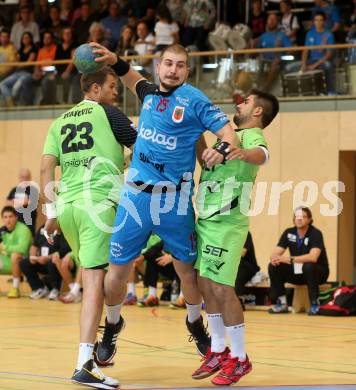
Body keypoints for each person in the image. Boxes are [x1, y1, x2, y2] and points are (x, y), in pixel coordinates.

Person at [90, 42, 237, 365]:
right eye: (168, 63)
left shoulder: (196, 101)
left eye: (180, 65)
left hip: (175, 200)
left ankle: (195, 322)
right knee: (117, 273)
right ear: (159, 66)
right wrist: (115, 60)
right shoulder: (149, 93)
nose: (173, 69)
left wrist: (220, 149)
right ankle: (112, 327)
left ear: (187, 69)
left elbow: (229, 134)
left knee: (187, 271)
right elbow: (130, 76)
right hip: (136, 198)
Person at [41, 66, 137, 389]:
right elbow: (140, 146)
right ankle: (86, 361)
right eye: (111, 86)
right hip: (98, 203)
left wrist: (51, 210)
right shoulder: (109, 114)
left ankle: (111, 325)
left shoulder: (58, 121)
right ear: (94, 89)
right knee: (97, 281)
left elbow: (46, 167)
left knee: (104, 275)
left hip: (67, 206)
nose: (115, 92)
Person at [192, 89, 279, 386]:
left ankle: (240, 358)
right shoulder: (227, 135)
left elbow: (262, 154)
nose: (240, 104)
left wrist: (244, 153)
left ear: (258, 112)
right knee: (204, 284)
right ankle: (218, 349)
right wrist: (195, 136)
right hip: (205, 218)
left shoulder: (250, 136)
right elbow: (208, 164)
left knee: (221, 288)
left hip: (227, 223)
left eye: (247, 102)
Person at [268, 207, 329, 315]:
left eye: (303, 217)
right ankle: (282, 303)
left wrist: (290, 259)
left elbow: (313, 257)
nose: (299, 219)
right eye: (297, 217)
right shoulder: (289, 232)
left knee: (308, 265)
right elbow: (275, 253)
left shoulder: (315, 233)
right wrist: (274, 258)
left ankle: (315, 304)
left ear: (309, 219)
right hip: (297, 272)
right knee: (273, 266)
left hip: (318, 272)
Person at [285, 12, 335, 95]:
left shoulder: (329, 34)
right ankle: (290, 93)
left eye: (321, 20)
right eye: (316, 20)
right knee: (289, 67)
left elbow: (329, 54)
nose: (318, 22)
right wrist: (304, 64)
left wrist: (314, 66)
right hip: (311, 60)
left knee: (328, 65)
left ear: (324, 22)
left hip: (322, 61)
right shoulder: (310, 33)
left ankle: (330, 91)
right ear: (314, 22)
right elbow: (305, 51)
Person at [19, 225, 65, 300]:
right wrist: (33, 256)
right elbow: (34, 245)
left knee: (53, 262)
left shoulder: (62, 229)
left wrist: (48, 258)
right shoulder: (42, 228)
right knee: (24, 263)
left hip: (55, 260)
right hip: (41, 260)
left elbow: (63, 250)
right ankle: (39, 288)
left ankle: (55, 289)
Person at [0, 206, 33, 298]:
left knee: (15, 255)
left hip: (23, 261)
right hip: (7, 261)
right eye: (5, 217)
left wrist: (5, 248)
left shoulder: (24, 230)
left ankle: (15, 288)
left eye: (10, 216)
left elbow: (22, 249)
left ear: (16, 217)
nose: (8, 220)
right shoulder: (2, 231)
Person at [255, 13, 292, 92]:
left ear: (277, 22)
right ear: (267, 22)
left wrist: (281, 58)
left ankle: (265, 89)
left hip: (278, 62)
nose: (271, 21)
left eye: (274, 19)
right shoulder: (263, 36)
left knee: (275, 65)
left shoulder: (282, 35)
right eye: (270, 19)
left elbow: (290, 50)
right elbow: (255, 51)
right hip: (264, 62)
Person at [6, 168, 39, 236]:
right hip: (14, 224)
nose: (24, 179)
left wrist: (14, 202)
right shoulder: (14, 190)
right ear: (19, 178)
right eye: (22, 177)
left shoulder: (33, 190)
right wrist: (23, 201)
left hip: (28, 224)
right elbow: (7, 203)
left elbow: (30, 202)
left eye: (26, 177)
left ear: (30, 178)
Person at [235, 231, 261, 298]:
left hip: (248, 266)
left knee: (238, 266)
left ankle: (239, 299)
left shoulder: (244, 233)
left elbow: (242, 253)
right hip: (232, 265)